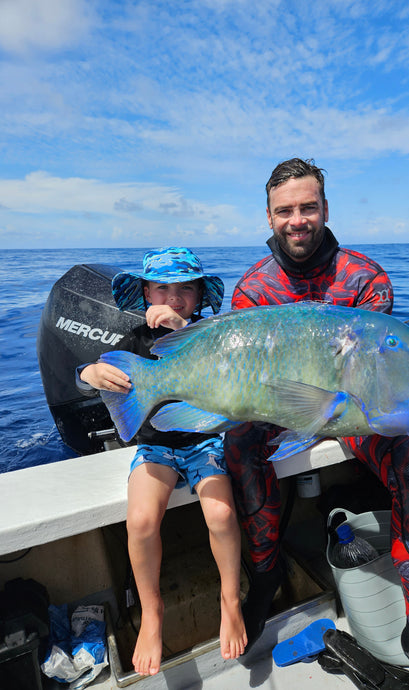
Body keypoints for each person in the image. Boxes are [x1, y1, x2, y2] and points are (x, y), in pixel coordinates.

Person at [224, 159, 409, 690]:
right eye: (285, 210)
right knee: (238, 444)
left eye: (308, 207)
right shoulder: (252, 290)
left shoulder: (365, 277)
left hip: (356, 412)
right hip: (281, 408)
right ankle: (265, 574)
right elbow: (247, 378)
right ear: (269, 217)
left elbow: (380, 379)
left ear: (325, 209)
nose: (297, 219)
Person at [77, 247, 247, 676]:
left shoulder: (209, 333)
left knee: (222, 515)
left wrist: (184, 330)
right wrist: (91, 375)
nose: (174, 298)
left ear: (199, 295)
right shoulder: (134, 339)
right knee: (140, 523)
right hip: (155, 448)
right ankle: (152, 613)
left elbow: (226, 368)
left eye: (185, 289)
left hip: (206, 442)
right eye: (163, 289)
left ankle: (230, 601)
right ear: (146, 293)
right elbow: (94, 370)